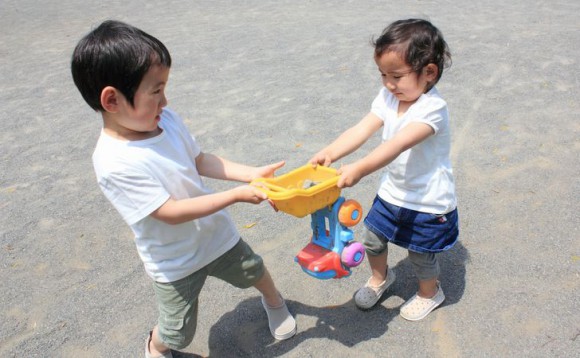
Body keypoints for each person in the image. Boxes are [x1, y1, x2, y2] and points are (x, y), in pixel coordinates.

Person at [71, 20, 296, 358]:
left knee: (253, 268)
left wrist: (251, 174)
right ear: (112, 100)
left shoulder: (166, 120)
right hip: (174, 261)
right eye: (156, 91)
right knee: (177, 331)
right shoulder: (113, 161)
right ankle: (155, 345)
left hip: (216, 237)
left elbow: (200, 160)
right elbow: (169, 212)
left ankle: (274, 300)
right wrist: (235, 195)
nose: (165, 100)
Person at [310, 19, 458, 321]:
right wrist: (331, 151)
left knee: (421, 255)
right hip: (392, 192)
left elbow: (398, 144)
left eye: (397, 76)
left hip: (428, 201)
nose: (389, 84)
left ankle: (431, 292)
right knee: (373, 240)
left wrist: (360, 168)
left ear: (429, 72)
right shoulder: (390, 97)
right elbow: (362, 128)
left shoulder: (432, 109)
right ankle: (380, 278)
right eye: (383, 75)